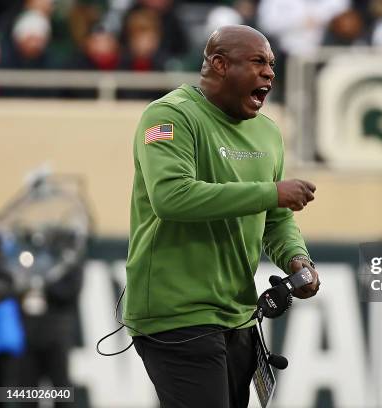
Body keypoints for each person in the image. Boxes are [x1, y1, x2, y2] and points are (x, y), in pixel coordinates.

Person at [123, 24, 320, 408]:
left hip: (239, 314)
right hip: (176, 313)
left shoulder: (267, 133)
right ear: (219, 64)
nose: (270, 73)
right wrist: (272, 192)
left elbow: (276, 219)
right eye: (258, 62)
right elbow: (172, 197)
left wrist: (297, 258)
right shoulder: (168, 118)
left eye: (272, 64)